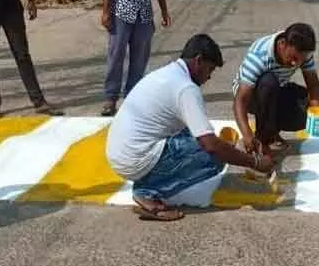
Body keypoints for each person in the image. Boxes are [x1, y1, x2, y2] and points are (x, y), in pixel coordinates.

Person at [106, 34, 275, 221]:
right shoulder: (185, 88)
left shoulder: (169, 73)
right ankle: (147, 192)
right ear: (198, 61)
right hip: (134, 158)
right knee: (214, 157)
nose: (209, 77)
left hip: (120, 152)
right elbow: (211, 146)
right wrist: (255, 162)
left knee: (197, 136)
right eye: (209, 69)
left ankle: (150, 179)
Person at [232, 23, 319, 155]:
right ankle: (262, 140)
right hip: (251, 96)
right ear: (283, 44)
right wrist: (247, 134)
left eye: (300, 60)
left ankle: (272, 132)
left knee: (305, 108)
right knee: (268, 82)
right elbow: (240, 100)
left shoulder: (303, 54)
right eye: (293, 58)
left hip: (277, 90)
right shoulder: (259, 55)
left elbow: (313, 85)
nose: (296, 64)